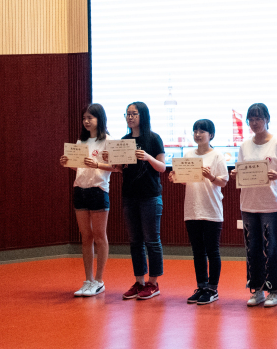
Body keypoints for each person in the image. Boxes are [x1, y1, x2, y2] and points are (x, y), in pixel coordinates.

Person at [229, 103, 277, 307]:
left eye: (259, 118)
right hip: (248, 204)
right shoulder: (244, 145)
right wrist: (236, 174)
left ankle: (274, 290)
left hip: (270, 204)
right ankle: (257, 289)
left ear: (267, 119)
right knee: (252, 249)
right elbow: (240, 171)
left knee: (272, 249)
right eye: (251, 119)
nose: (254, 123)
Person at [167, 119, 229, 305]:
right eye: (195, 130)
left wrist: (211, 176)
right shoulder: (188, 154)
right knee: (198, 251)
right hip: (192, 209)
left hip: (211, 209)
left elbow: (223, 182)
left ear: (211, 135)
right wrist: (175, 177)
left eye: (202, 131)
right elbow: (186, 179)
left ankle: (212, 289)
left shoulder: (217, 156)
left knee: (212, 251)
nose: (198, 134)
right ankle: (202, 286)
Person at [112, 102, 167, 300]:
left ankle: (153, 283)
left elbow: (162, 167)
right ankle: (139, 281)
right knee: (135, 241)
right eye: (127, 114)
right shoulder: (124, 140)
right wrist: (113, 161)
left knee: (152, 240)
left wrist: (148, 157)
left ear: (142, 115)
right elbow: (119, 168)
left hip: (150, 196)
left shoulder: (153, 138)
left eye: (134, 113)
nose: (130, 117)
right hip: (129, 195)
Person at [58, 103, 114, 297]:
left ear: (100, 119)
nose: (86, 121)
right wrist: (68, 164)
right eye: (84, 118)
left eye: (90, 117)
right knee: (86, 237)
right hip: (80, 189)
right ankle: (88, 280)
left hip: (98, 189)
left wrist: (97, 164)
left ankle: (99, 280)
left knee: (100, 236)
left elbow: (115, 167)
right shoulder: (80, 141)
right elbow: (80, 167)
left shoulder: (108, 141)